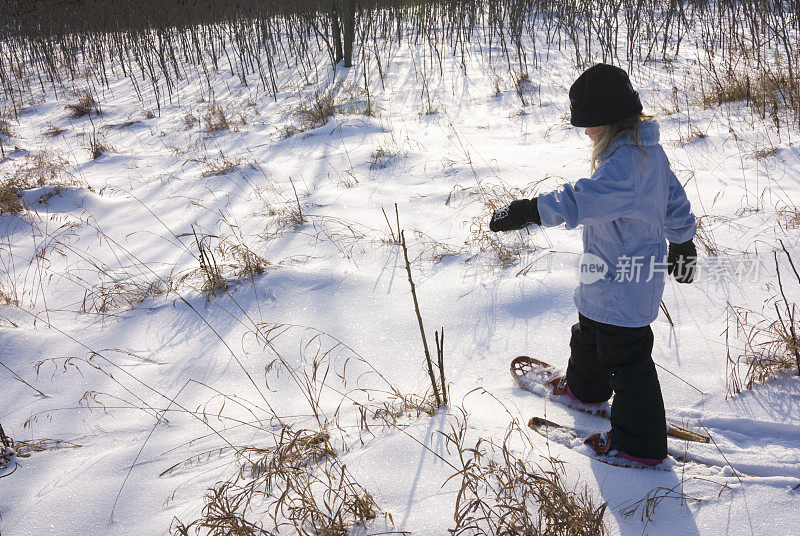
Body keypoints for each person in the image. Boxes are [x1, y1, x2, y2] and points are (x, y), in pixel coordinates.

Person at [490, 63, 697, 466]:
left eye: (589, 124)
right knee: (588, 331)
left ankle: (638, 444)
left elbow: (579, 200)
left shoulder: (625, 167)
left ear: (609, 121)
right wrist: (683, 239)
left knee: (628, 359)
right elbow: (673, 198)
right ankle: (585, 390)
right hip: (606, 272)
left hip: (625, 283)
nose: (585, 132)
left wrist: (527, 210)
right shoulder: (644, 151)